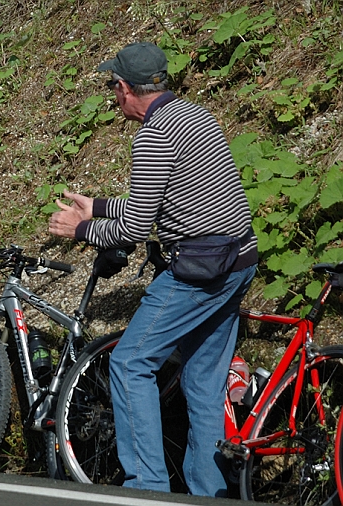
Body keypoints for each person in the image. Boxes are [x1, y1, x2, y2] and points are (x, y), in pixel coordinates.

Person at [49, 42, 257, 496]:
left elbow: (137, 226)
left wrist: (81, 229)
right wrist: (99, 204)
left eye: (113, 86)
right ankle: (210, 492)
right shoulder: (195, 116)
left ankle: (147, 487)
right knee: (203, 378)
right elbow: (164, 202)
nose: (113, 95)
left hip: (200, 270)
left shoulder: (154, 133)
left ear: (125, 88)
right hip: (239, 261)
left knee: (130, 362)